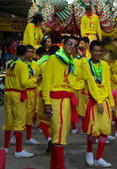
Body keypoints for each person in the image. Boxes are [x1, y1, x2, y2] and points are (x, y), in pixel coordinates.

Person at [42, 36, 79, 169]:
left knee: (59, 134)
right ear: (64, 44)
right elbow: (46, 82)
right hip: (56, 101)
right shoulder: (54, 58)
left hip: (66, 101)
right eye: (69, 43)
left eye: (75, 45)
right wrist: (47, 102)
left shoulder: (72, 61)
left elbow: (75, 82)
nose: (71, 47)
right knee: (59, 135)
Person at [81, 40, 115, 167]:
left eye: (100, 51)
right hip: (93, 101)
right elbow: (91, 83)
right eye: (95, 51)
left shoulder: (105, 65)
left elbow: (107, 84)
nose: (98, 53)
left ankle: (99, 157)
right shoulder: (85, 63)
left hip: (104, 101)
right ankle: (89, 152)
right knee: (93, 130)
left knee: (105, 130)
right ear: (91, 51)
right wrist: (98, 101)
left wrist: (111, 103)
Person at [2, 45, 39, 158]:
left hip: (8, 93)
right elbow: (24, 83)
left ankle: (6, 147)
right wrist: (35, 79)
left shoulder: (9, 63)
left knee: (9, 120)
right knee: (19, 121)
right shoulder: (22, 65)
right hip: (18, 94)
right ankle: (18, 150)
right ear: (24, 53)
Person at [24, 45, 41, 145]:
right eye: (28, 52)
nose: (30, 54)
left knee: (33, 114)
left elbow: (39, 77)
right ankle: (14, 136)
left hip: (34, 92)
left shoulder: (35, 64)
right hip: (25, 92)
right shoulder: (21, 64)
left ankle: (29, 137)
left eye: (31, 52)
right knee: (22, 115)